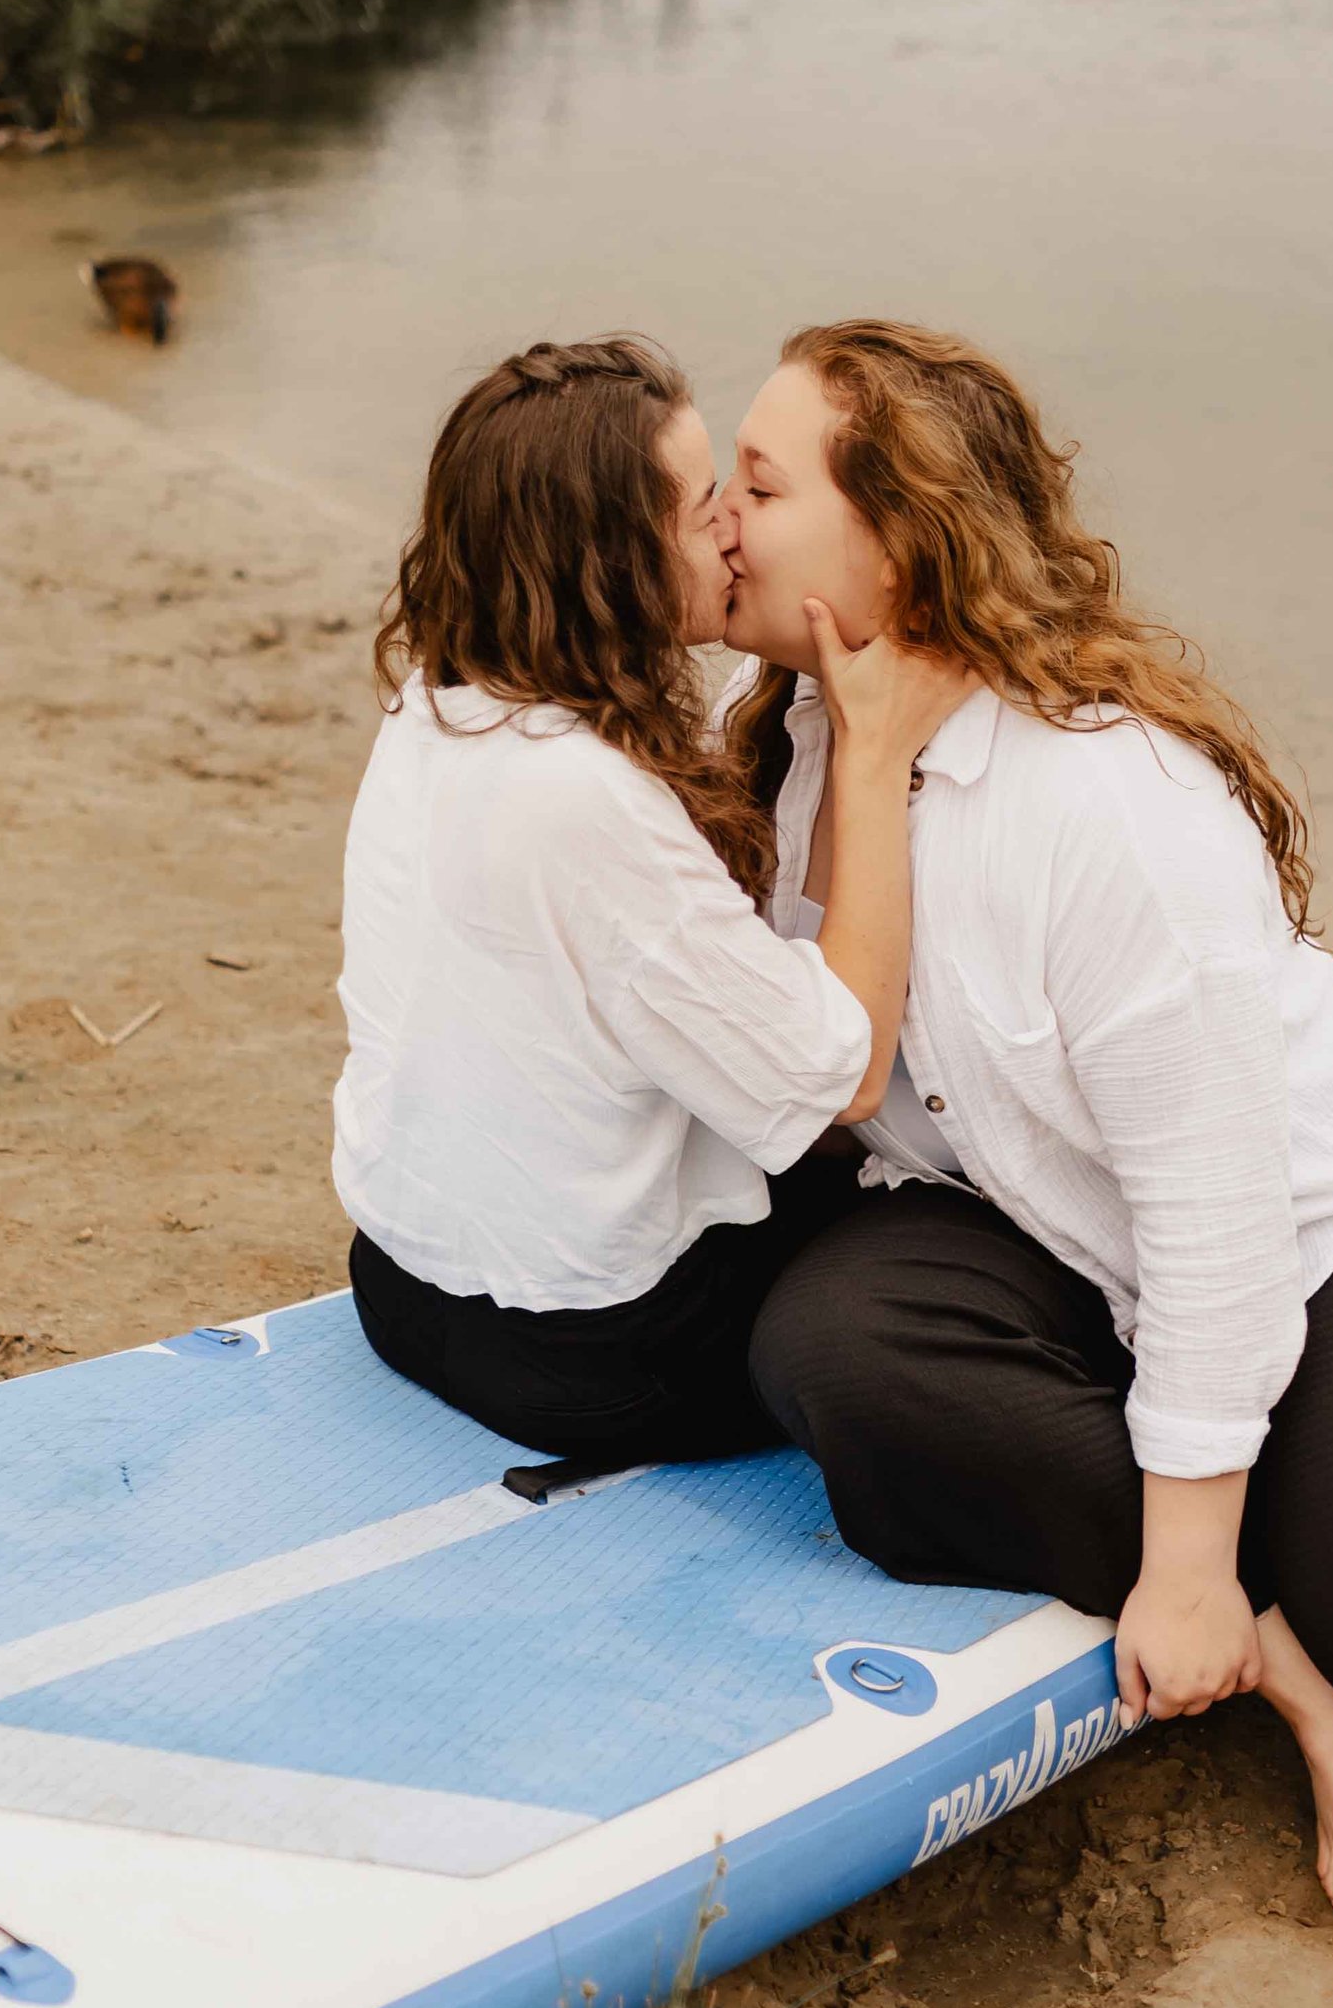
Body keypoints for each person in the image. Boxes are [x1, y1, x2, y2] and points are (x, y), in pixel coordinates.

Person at [718, 320, 1333, 1928]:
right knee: (833, 1353)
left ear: (900, 548)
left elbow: (1216, 1221)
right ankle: (1303, 1640)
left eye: (759, 485)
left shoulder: (1109, 810)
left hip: (1289, 1223)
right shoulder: (810, 725)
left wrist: (1196, 1574)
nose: (724, 520)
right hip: (1040, 1213)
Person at [333, 335, 968, 1472]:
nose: (730, 523)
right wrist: (873, 758)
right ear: (606, 558)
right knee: (971, 1225)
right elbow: (846, 1076)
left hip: (395, 1280)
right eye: (695, 507)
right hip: (593, 1353)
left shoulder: (435, 707)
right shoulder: (583, 796)